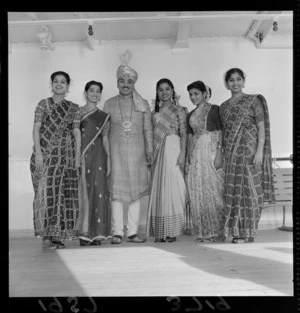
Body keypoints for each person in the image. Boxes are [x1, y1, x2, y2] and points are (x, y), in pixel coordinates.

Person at [219, 68, 275, 244]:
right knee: (234, 190)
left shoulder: (253, 101)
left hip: (250, 148)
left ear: (244, 81)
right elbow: (224, 132)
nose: (235, 83)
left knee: (250, 189)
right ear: (226, 83)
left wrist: (260, 150)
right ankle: (237, 231)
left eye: (238, 79)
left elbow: (261, 126)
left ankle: (248, 232)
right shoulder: (224, 107)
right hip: (231, 152)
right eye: (231, 80)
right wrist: (221, 153)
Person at [103, 63, 153, 244]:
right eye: (122, 81)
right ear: (117, 83)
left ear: (134, 84)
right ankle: (117, 232)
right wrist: (106, 155)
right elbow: (104, 132)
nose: (126, 84)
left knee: (136, 194)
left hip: (137, 154)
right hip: (115, 154)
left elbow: (148, 130)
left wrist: (149, 152)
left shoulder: (143, 104)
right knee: (116, 193)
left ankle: (132, 232)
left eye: (129, 81)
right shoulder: (108, 104)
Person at [30, 71, 81, 249]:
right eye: (56, 81)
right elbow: (36, 128)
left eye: (63, 82)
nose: (59, 84)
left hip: (65, 157)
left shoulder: (74, 108)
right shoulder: (43, 104)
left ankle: (57, 235)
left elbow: (76, 132)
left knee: (63, 194)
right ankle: (46, 236)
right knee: (46, 194)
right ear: (51, 84)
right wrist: (38, 153)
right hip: (46, 156)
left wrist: (76, 157)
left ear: (68, 86)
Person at [146, 78, 187, 242]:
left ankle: (172, 230)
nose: (164, 92)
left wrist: (183, 153)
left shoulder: (180, 110)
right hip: (158, 151)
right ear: (157, 92)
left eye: (167, 89)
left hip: (174, 148)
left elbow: (184, 133)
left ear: (173, 91)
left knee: (174, 187)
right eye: (161, 89)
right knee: (159, 187)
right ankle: (160, 231)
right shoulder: (153, 113)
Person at [185, 81, 225, 243]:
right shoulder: (190, 115)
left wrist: (219, 154)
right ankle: (205, 231)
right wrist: (188, 158)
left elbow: (220, 131)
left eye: (196, 94)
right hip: (196, 155)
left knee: (215, 191)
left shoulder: (214, 109)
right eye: (191, 94)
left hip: (211, 152)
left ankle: (218, 231)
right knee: (199, 192)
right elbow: (190, 137)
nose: (193, 97)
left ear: (204, 94)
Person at [74, 81, 111, 246]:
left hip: (99, 157)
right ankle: (84, 233)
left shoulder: (104, 116)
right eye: (91, 90)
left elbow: (105, 140)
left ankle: (97, 234)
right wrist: (77, 158)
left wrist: (108, 159)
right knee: (85, 192)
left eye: (98, 91)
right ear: (85, 93)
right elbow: (76, 136)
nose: (95, 94)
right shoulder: (78, 112)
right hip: (84, 156)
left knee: (99, 192)